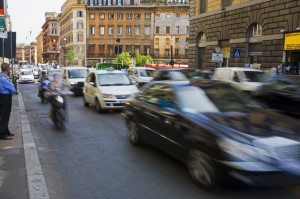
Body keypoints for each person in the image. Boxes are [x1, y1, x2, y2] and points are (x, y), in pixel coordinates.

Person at [0, 63, 17, 140]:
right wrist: (12, 85)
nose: (10, 69)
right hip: (5, 98)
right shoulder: (4, 78)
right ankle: (2, 134)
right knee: (5, 116)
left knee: (4, 115)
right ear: (7, 70)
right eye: (9, 68)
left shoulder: (1, 76)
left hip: (2, 97)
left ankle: (6, 131)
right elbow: (13, 90)